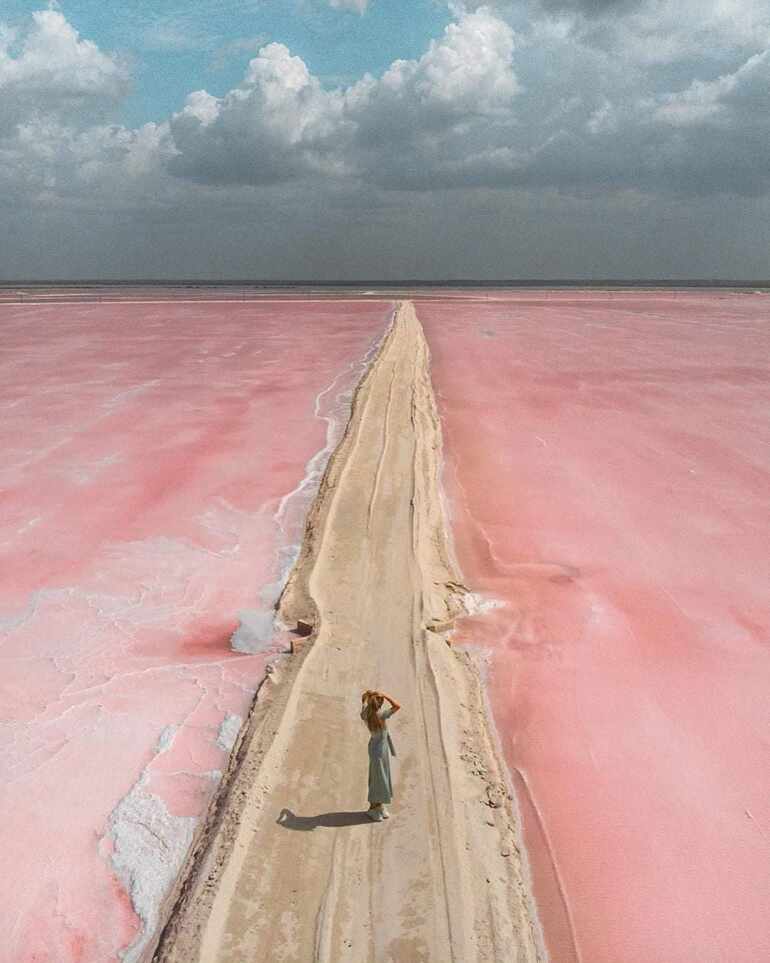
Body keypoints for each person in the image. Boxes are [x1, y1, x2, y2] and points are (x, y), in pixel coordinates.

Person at [360, 689, 400, 821]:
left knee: (379, 777)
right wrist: (386, 695)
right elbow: (397, 706)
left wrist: (368, 697)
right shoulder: (381, 714)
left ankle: (379, 806)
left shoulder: (365, 713)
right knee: (380, 778)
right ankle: (373, 808)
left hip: (376, 748)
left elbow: (363, 701)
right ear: (379, 703)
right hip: (380, 750)